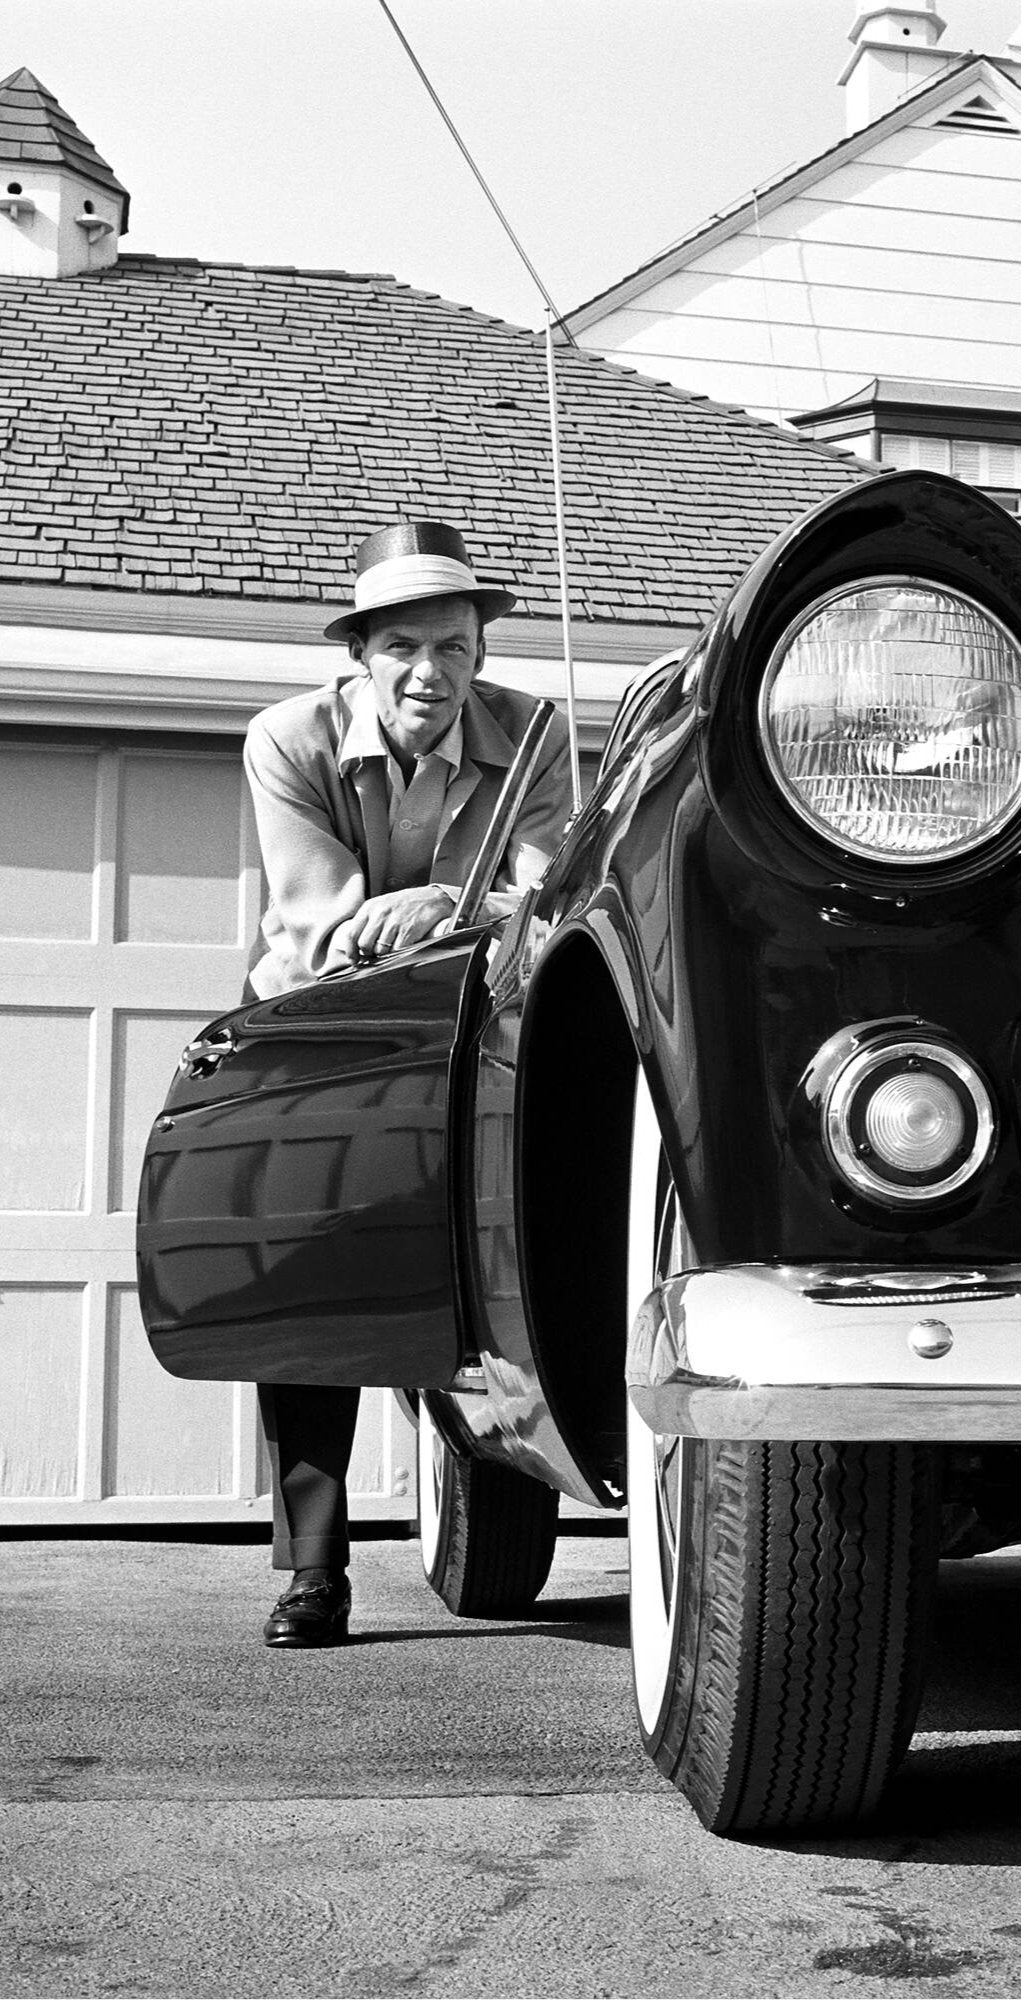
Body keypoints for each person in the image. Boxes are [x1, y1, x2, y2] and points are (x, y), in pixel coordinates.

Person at [242, 520, 573, 1646]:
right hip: (325, 1030)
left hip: (478, 1026)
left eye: (455, 646)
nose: (432, 671)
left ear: (482, 650)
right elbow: (321, 924)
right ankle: (313, 1569)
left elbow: (548, 896)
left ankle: (507, 1457)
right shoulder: (285, 740)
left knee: (493, 1254)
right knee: (316, 1282)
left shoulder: (537, 732)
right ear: (361, 653)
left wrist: (444, 905)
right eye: (405, 647)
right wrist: (449, 912)